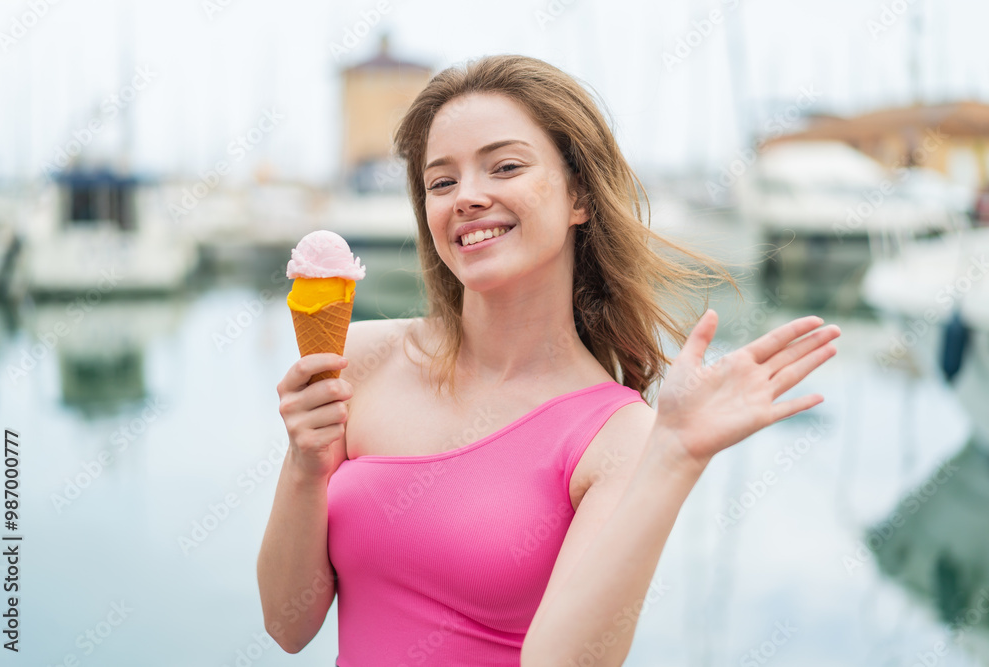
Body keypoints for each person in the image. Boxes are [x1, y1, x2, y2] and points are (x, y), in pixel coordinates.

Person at [256, 54, 840, 665]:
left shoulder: (620, 435)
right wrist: (305, 462)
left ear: (579, 195)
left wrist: (677, 458)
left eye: (505, 166)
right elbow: (285, 623)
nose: (468, 198)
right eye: (442, 181)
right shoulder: (359, 359)